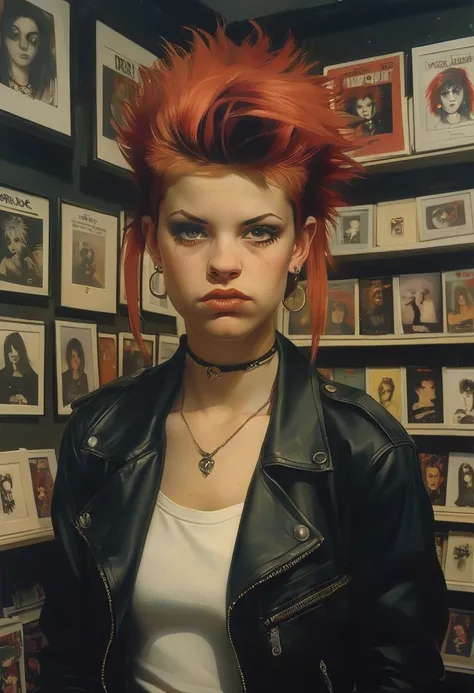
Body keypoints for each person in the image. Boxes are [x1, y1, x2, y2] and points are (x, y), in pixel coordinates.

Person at [39, 25, 448, 693]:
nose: (224, 262)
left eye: (259, 231)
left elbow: (399, 674)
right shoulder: (97, 436)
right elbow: (68, 657)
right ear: (150, 243)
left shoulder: (365, 452)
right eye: (191, 228)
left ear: (299, 244)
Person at [0, 0, 56, 105]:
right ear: (4, 38)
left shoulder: (50, 90)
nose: (23, 46)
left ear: (40, 45)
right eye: (15, 34)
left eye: (33, 39)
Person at [0, 213, 42, 287]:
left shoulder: (38, 255)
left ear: (25, 239)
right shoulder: (6, 263)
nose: (12, 247)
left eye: (16, 240)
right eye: (9, 243)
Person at [0, 331, 38, 406]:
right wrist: (7, 400)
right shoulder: (1, 375)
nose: (13, 354)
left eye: (16, 349)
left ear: (21, 350)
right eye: (10, 351)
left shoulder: (33, 377)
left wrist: (27, 402)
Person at [61, 337, 89, 406]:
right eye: (73, 356)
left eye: (78, 356)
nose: (76, 360)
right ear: (69, 358)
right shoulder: (63, 377)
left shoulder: (84, 377)